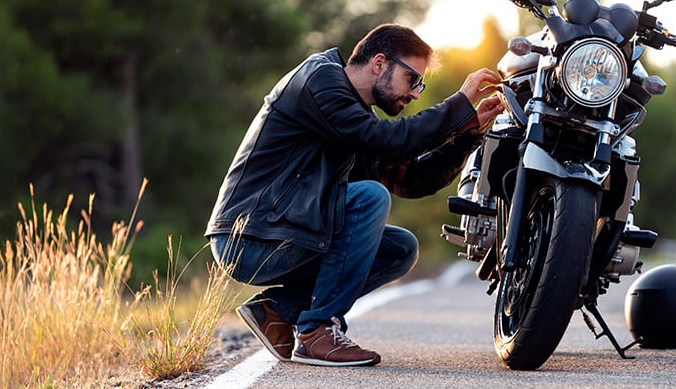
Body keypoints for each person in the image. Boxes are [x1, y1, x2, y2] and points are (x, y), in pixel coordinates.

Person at [206, 24, 503, 367]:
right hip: (249, 236)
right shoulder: (319, 80)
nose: (417, 93)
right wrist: (459, 105)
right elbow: (386, 140)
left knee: (399, 249)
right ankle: (317, 331)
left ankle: (277, 311)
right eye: (413, 80)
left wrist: (466, 135)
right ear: (379, 64)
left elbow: (412, 180)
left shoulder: (358, 119)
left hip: (287, 231)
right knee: (370, 198)